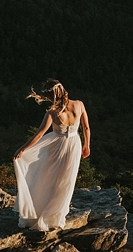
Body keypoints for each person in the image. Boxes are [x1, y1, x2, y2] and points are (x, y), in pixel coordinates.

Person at [12, 80, 91, 231]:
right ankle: (57, 215)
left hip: (57, 147)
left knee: (48, 177)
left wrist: (22, 149)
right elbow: (86, 127)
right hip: (74, 144)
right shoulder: (79, 104)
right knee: (66, 180)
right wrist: (87, 145)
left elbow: (40, 134)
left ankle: (43, 209)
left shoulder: (52, 112)